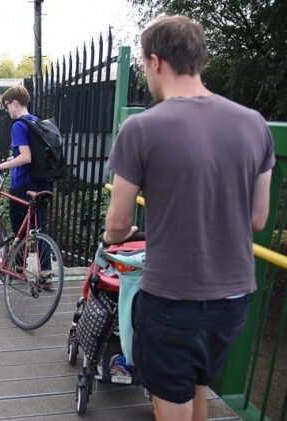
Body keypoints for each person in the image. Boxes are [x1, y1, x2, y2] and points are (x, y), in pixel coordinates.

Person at [103, 15, 274, 421]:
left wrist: (121, 234)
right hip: (233, 298)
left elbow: (116, 223)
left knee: (170, 400)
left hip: (172, 300)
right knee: (198, 385)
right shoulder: (255, 125)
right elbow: (257, 219)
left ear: (156, 61)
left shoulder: (141, 128)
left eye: (144, 65)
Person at [0, 85, 55, 291]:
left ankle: (17, 268)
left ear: (14, 103)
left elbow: (26, 157)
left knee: (20, 230)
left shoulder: (18, 125)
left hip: (22, 185)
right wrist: (12, 159)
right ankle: (46, 274)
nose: (7, 111)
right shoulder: (37, 122)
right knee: (39, 228)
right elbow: (30, 155)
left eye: (7, 106)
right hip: (42, 183)